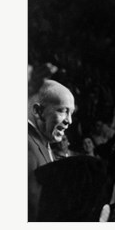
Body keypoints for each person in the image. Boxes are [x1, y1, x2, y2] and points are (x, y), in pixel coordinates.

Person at [28, 80, 75, 221]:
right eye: (62, 110)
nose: (69, 121)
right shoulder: (25, 145)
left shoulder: (44, 143)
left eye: (71, 113)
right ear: (38, 111)